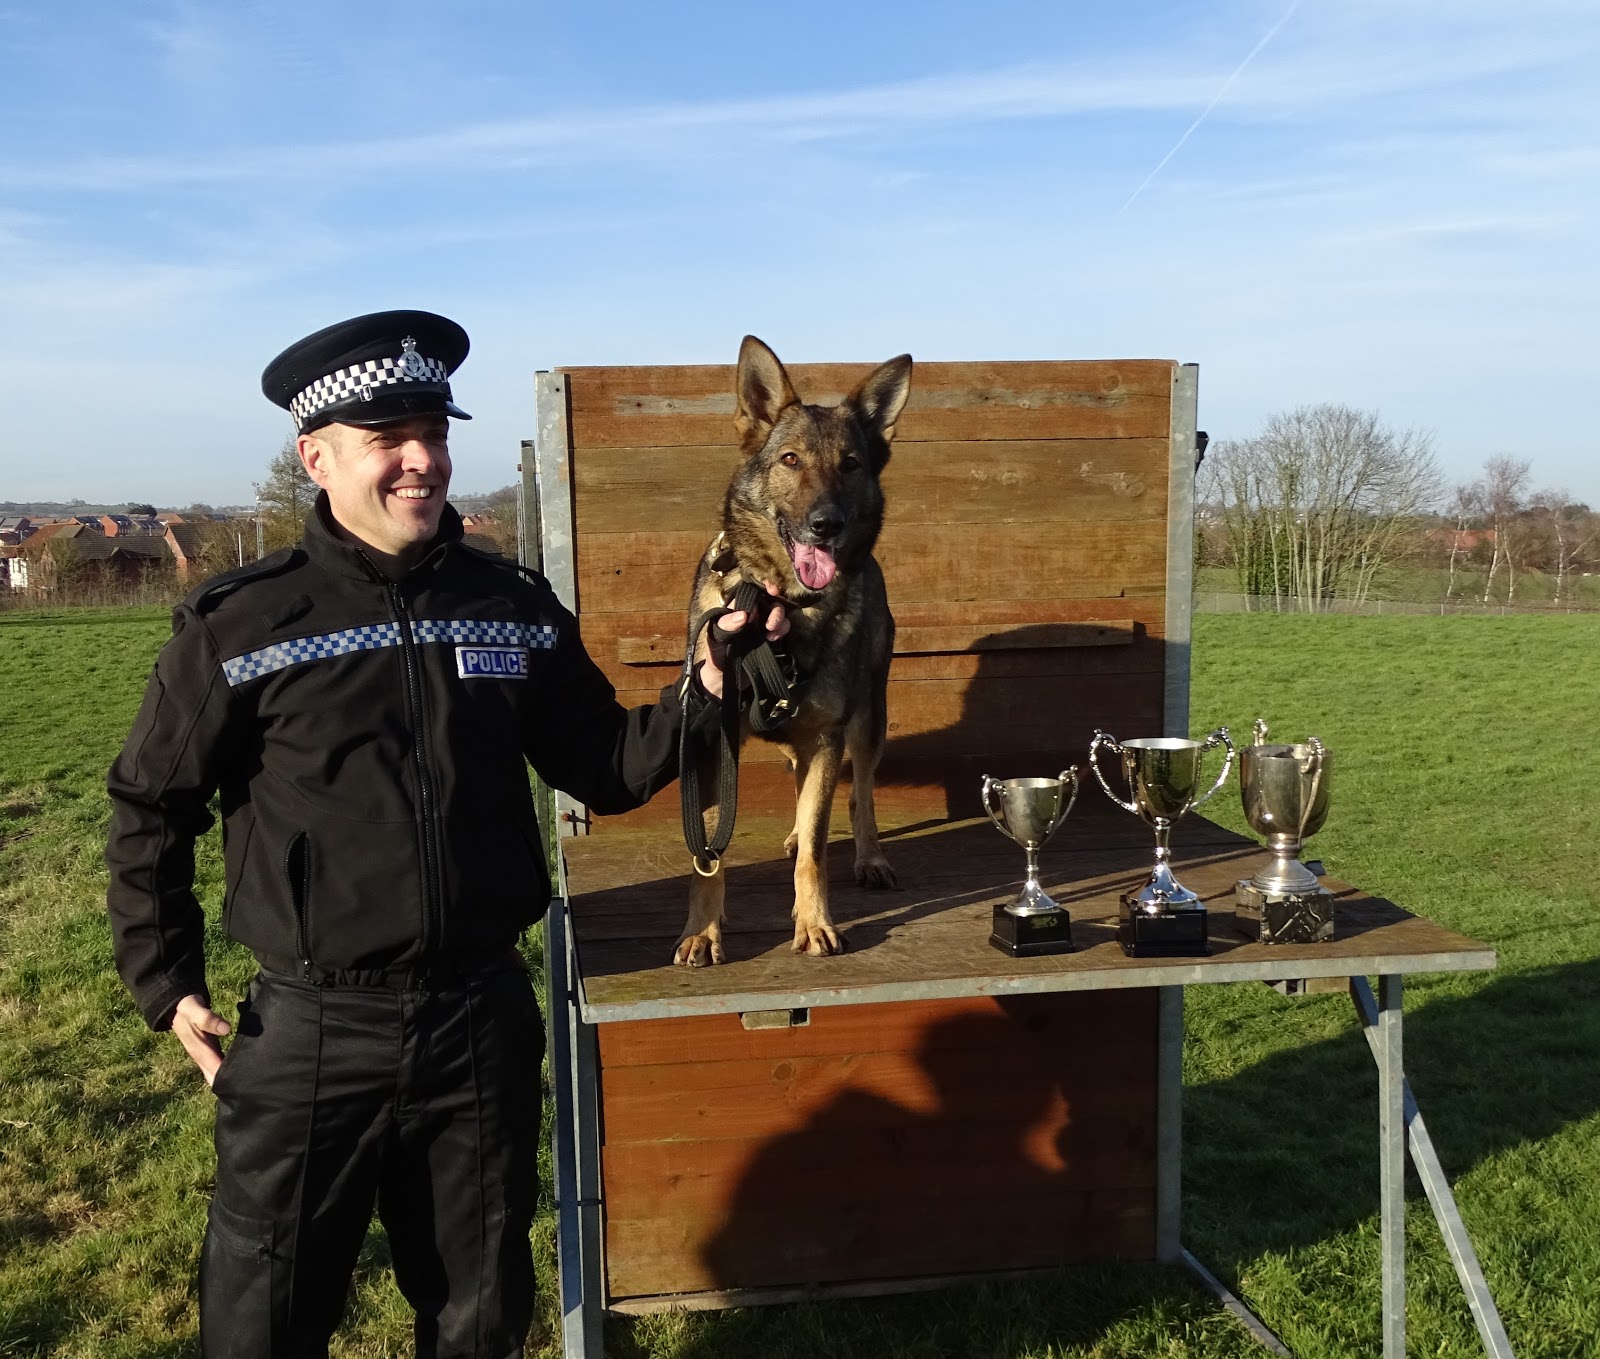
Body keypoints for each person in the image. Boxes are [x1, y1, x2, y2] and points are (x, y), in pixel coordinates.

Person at [104, 310, 783, 1358]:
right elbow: (151, 803)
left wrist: (708, 681)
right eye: (389, 439)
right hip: (309, 1033)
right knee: (261, 1323)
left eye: (433, 429)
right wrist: (167, 980)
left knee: (478, 1316)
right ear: (316, 458)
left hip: (479, 1021)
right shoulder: (243, 626)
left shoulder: (508, 605)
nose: (424, 460)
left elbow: (603, 763)